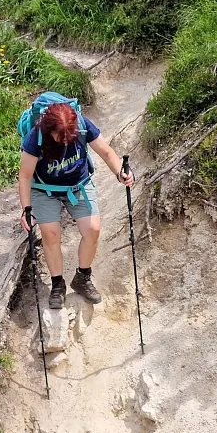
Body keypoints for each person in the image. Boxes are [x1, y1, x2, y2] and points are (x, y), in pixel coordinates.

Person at [18, 102, 134, 309]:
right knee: (50, 233)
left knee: (93, 229)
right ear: (48, 131)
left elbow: (106, 152)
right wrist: (26, 210)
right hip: (44, 188)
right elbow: (25, 176)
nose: (65, 141)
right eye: (60, 136)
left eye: (69, 136)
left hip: (78, 185)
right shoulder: (35, 137)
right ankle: (57, 284)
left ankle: (83, 277)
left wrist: (120, 173)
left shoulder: (81, 124)